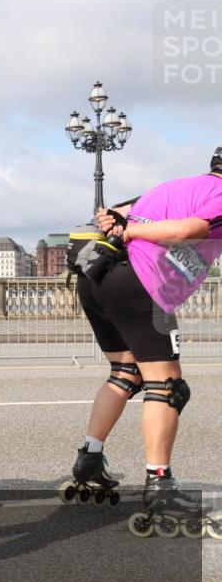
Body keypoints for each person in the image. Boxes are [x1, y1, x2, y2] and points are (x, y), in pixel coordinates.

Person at [69, 146, 222, 533]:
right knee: (168, 386)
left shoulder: (176, 186)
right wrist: (132, 230)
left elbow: (111, 212)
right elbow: (192, 230)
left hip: (97, 277)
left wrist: (122, 222)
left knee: (125, 372)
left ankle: (90, 458)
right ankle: (161, 486)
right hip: (140, 282)